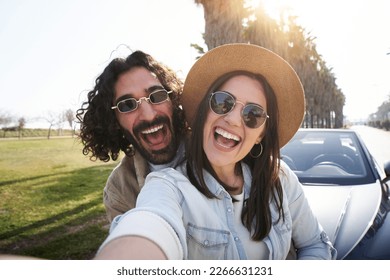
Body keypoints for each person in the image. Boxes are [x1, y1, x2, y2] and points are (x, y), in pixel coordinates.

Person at [94, 43, 337, 260]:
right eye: (223, 102)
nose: (232, 119)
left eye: (253, 114)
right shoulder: (159, 186)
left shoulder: (279, 177)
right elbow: (149, 226)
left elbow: (315, 244)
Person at [76, 50, 188, 222]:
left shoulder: (217, 149)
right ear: (114, 121)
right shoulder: (118, 191)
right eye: (127, 105)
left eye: (156, 96)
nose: (148, 115)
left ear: (173, 99)